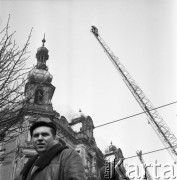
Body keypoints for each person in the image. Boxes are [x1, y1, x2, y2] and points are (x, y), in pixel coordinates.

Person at [17, 118, 86, 180]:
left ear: (54, 138)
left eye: (44, 134)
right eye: (36, 135)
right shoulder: (29, 165)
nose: (40, 138)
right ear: (32, 139)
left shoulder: (68, 155)